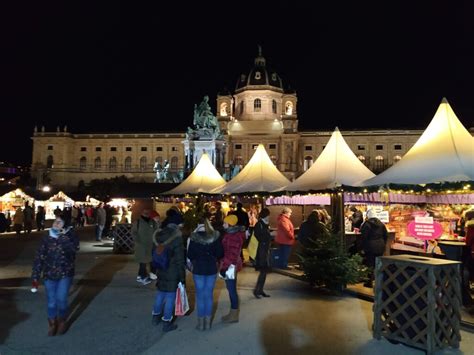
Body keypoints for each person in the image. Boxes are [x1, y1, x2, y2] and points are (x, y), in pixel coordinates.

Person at [31, 216, 79, 336]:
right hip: (49, 274)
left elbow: (73, 250)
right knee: (51, 301)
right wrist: (35, 275)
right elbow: (39, 257)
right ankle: (52, 324)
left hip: (65, 273)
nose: (56, 224)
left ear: (65, 226)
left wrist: (63, 236)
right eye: (55, 221)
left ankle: (61, 320)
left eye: (60, 222)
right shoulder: (46, 238)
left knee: (61, 299)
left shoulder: (70, 236)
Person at [151, 209, 185, 333]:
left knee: (160, 294)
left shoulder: (158, 235)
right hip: (173, 271)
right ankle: (167, 322)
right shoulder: (177, 237)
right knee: (170, 296)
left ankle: (155, 317)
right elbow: (180, 259)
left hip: (161, 268)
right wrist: (182, 277)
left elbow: (154, 253)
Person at [187, 217, 223, 330]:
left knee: (200, 296)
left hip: (198, 269)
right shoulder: (215, 237)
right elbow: (220, 253)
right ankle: (208, 323)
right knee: (208, 295)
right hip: (211, 268)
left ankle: (200, 323)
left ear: (198, 225)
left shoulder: (194, 238)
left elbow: (190, 255)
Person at [220, 214, 246, 323]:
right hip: (230, 265)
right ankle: (232, 312)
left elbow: (232, 255)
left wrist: (224, 267)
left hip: (230, 266)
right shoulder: (232, 234)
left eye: (225, 222)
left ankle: (234, 314)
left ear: (230, 224)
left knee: (231, 290)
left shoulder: (233, 236)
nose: (223, 224)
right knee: (231, 289)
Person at [360, 209, 388, 288]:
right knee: (378, 264)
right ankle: (379, 281)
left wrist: (363, 248)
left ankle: (369, 282)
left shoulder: (366, 224)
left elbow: (364, 237)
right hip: (380, 246)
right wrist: (383, 244)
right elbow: (386, 235)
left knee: (370, 264)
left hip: (370, 246)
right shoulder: (381, 224)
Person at [132, 208, 159, 285]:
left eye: (147, 212)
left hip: (150, 245)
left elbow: (156, 231)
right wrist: (137, 240)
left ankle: (141, 276)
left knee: (146, 261)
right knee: (143, 262)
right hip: (141, 246)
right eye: (145, 212)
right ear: (142, 213)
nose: (146, 213)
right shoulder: (138, 222)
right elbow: (133, 232)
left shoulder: (152, 222)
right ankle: (142, 277)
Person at [253, 208, 273, 298]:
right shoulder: (259, 224)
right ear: (265, 215)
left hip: (265, 250)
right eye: (268, 215)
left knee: (264, 272)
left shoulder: (265, 224)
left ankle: (260, 290)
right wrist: (269, 235)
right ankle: (257, 290)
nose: (269, 217)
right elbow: (259, 236)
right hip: (261, 250)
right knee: (263, 270)